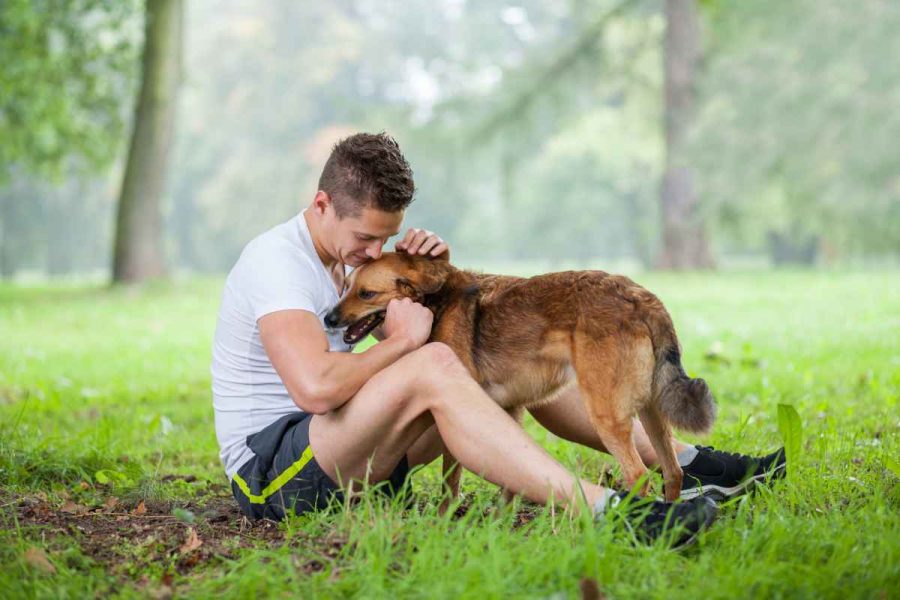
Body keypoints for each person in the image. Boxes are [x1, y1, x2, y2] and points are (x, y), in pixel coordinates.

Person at [211, 132, 783, 546]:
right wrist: (402, 344)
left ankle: (684, 460)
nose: (372, 251)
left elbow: (437, 336)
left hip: (352, 458)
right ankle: (613, 512)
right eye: (365, 237)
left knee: (519, 355)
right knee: (436, 362)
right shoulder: (277, 263)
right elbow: (314, 388)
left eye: (385, 240)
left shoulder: (350, 264)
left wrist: (429, 279)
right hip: (275, 474)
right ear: (321, 206)